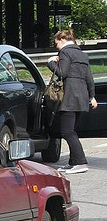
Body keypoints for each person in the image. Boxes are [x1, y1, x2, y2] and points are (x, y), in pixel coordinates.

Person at [47, 29, 98, 174]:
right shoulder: (82, 54)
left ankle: (80, 162)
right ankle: (73, 162)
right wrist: (92, 96)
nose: (56, 46)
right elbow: (89, 78)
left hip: (69, 97)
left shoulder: (65, 52)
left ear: (62, 40)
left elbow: (63, 72)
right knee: (72, 130)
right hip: (81, 97)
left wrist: (51, 62)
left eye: (56, 42)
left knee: (67, 132)